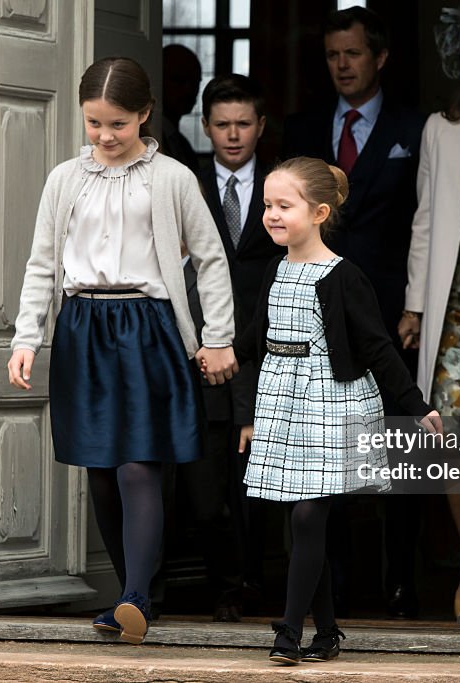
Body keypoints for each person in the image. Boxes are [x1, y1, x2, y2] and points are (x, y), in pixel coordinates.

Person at [7, 56, 237, 646]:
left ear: (144, 115)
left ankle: (136, 596)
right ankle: (130, 590)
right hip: (83, 325)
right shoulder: (64, 179)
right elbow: (41, 263)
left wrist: (218, 338)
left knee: (139, 464)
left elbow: (210, 259)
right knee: (102, 470)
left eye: (118, 124)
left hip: (150, 325)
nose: (105, 137)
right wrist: (27, 337)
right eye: (93, 124)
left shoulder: (173, 178)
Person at [236, 157, 442, 665]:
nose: (272, 214)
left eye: (285, 205)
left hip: (332, 402)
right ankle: (325, 631)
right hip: (282, 399)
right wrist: (208, 355)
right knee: (304, 522)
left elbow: (377, 347)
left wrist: (415, 406)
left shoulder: (343, 277)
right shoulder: (274, 269)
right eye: (267, 205)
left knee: (308, 514)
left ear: (320, 211)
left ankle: (288, 632)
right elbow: (250, 342)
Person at [282, 6, 428, 619]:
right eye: (333, 55)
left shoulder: (415, 126)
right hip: (315, 314)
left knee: (396, 451)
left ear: (380, 57)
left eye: (354, 53)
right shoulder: (304, 124)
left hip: (390, 313)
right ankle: (329, 596)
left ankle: (402, 587)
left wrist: (417, 301)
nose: (342, 65)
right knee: (321, 460)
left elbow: (427, 219)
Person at [178, 74, 286, 620]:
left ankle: (255, 584)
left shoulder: (282, 188)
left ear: (261, 126)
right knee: (205, 482)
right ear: (206, 127)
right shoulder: (185, 185)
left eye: (244, 123)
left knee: (261, 482)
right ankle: (219, 584)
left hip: (269, 349)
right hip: (204, 352)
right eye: (222, 124)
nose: (233, 135)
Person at [398, 4, 460, 624]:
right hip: (456, 309)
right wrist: (415, 304)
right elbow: (425, 216)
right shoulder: (440, 127)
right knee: (445, 431)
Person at [161, 44, 203, 174]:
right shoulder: (146, 139)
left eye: (195, 82)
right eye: (178, 80)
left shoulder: (183, 146)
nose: (188, 90)